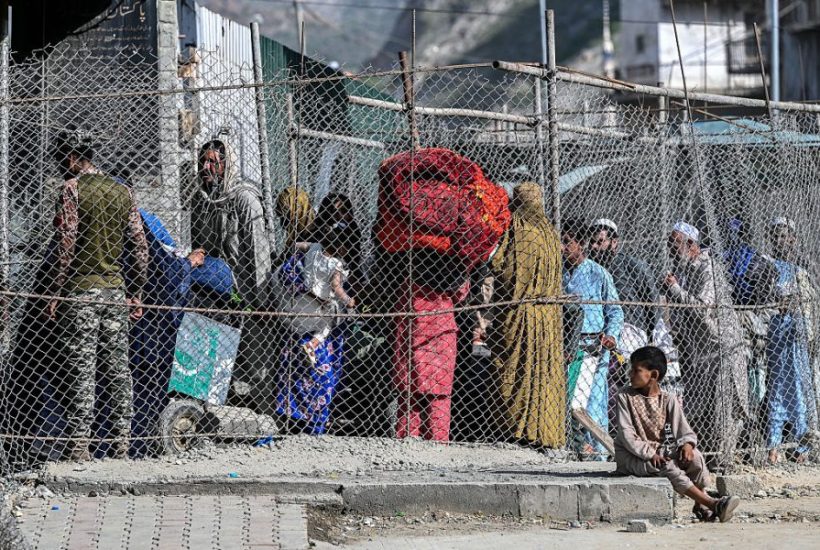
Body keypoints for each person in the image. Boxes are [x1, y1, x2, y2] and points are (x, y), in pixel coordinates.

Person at [46, 128, 148, 461]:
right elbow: (140, 246)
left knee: (81, 368)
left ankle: (80, 443)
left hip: (80, 293)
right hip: (115, 292)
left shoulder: (72, 190)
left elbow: (66, 244)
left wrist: (56, 291)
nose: (60, 165)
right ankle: (122, 441)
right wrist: (136, 290)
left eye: (62, 158)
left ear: (72, 158)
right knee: (118, 368)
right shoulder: (123, 191)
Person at [615, 346, 741, 523]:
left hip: (658, 452)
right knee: (666, 466)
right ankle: (712, 504)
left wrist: (687, 445)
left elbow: (684, 430)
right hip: (632, 456)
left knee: (695, 457)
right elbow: (627, 435)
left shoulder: (668, 399)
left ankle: (700, 505)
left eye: (636, 370)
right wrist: (650, 454)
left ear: (653, 375)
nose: (630, 374)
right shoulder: (624, 396)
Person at [191, 136, 273, 406]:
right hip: (214, 294)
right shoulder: (201, 200)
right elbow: (198, 246)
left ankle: (264, 415)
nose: (206, 167)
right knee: (212, 361)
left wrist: (261, 301)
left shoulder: (244, 199)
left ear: (227, 165)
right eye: (202, 162)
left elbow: (259, 252)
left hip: (247, 293)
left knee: (256, 364)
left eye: (213, 162)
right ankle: (209, 411)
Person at [662, 222, 749, 469]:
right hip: (701, 352)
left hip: (721, 349)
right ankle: (705, 458)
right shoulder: (685, 269)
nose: (671, 250)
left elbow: (703, 307)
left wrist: (675, 289)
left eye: (675, 244)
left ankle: (723, 461)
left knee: (723, 408)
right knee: (701, 409)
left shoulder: (706, 268)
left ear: (691, 244)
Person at [488, 182, 565, 448]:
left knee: (518, 371)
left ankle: (517, 430)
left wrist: (494, 260)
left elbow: (511, 276)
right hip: (549, 316)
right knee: (544, 375)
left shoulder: (521, 228)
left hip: (522, 313)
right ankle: (544, 432)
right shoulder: (550, 232)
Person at [562, 218, 624, 459]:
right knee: (568, 402)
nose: (562, 247)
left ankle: (599, 454)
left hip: (593, 348)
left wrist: (611, 336)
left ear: (581, 244)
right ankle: (574, 450)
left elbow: (615, 311)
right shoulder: (558, 273)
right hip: (566, 348)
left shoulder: (599, 274)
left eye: (567, 242)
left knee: (592, 402)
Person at [393, 250, 469, 442]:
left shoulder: (410, 268)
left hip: (412, 327)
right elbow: (461, 294)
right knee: (439, 394)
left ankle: (407, 437)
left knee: (410, 391)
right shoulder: (454, 270)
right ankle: (438, 440)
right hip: (442, 328)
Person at [766, 217, 817, 463]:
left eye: (784, 236)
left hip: (797, 336)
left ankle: (802, 447)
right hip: (777, 331)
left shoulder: (801, 269)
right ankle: (773, 445)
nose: (779, 241)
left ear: (793, 239)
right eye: (775, 236)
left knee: (799, 387)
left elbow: (808, 302)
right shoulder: (768, 266)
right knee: (776, 386)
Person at [588, 218, 659, 353]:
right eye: (591, 242)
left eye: (600, 242)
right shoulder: (589, 269)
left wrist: (651, 333)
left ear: (614, 242)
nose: (594, 247)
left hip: (630, 329)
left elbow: (652, 300)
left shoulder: (631, 265)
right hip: (597, 331)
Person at [295, 225, 356, 364]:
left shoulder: (314, 246)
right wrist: (348, 301)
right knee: (328, 324)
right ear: (340, 247)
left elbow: (297, 245)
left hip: (301, 296)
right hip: (316, 306)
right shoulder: (336, 264)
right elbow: (336, 286)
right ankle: (312, 345)